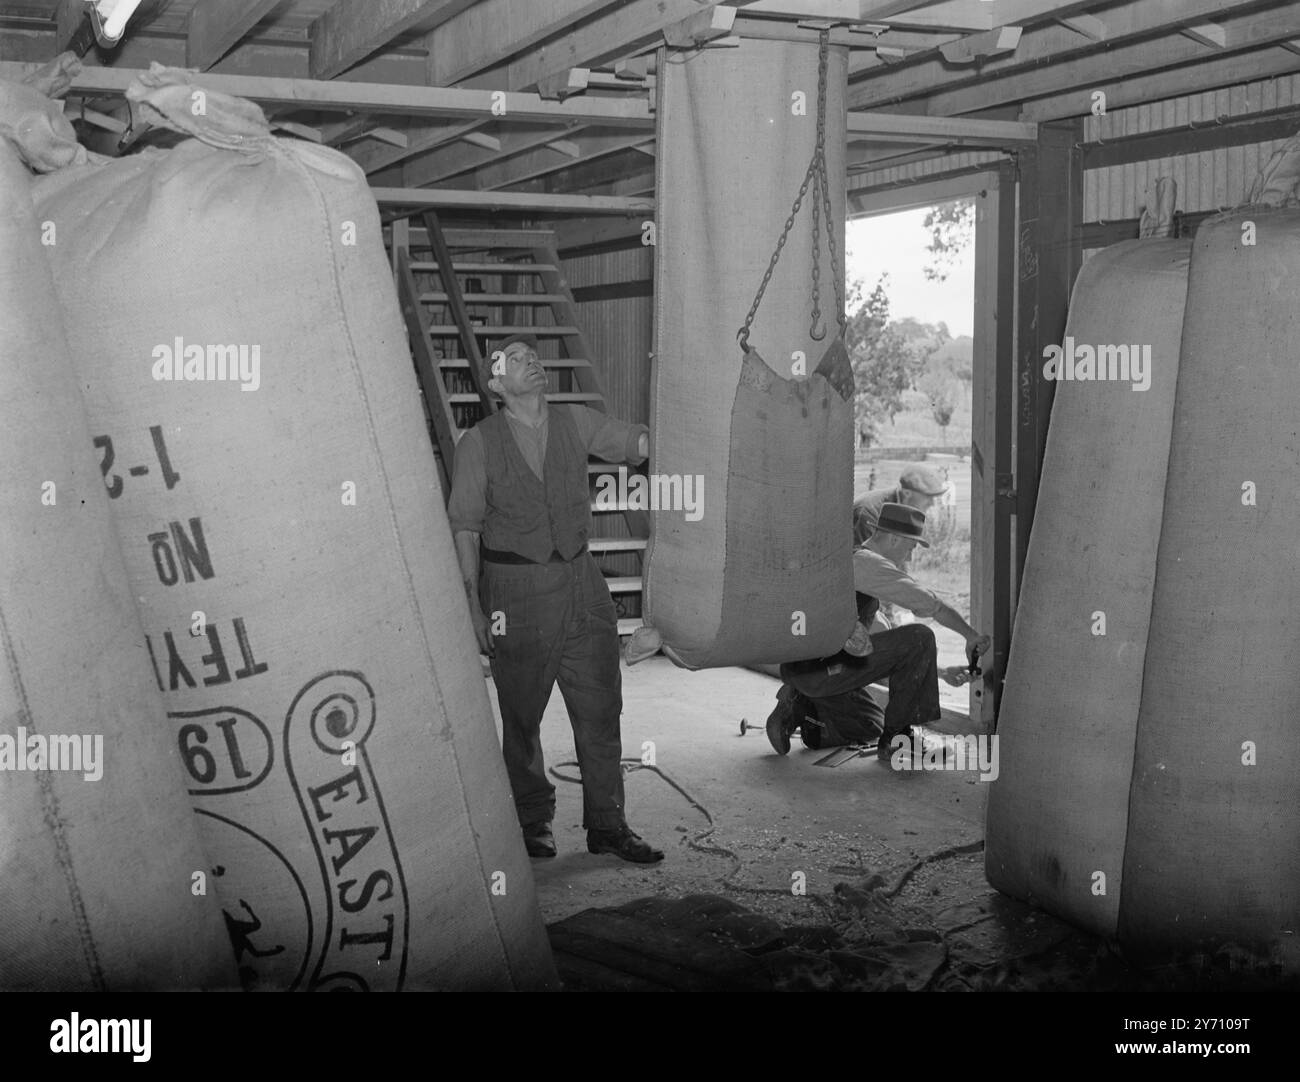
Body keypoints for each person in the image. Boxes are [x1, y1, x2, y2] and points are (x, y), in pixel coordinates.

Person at [448, 332, 663, 864]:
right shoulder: (478, 443)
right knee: (522, 715)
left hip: (581, 581)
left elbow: (632, 443)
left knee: (600, 706)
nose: (532, 362)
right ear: (496, 383)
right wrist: (472, 607)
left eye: (533, 355)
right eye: (516, 359)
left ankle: (608, 825)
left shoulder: (575, 421)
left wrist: (670, 430)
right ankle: (531, 820)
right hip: (513, 592)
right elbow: (465, 530)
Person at [765, 503, 990, 768]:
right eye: (912, 545)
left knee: (870, 726)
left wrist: (940, 673)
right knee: (920, 636)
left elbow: (887, 650)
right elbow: (929, 604)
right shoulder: (867, 564)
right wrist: (970, 635)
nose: (910, 555)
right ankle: (899, 739)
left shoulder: (854, 567)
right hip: (820, 670)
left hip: (807, 669)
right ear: (895, 538)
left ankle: (797, 704)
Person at [852, 464, 949, 547]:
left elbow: (902, 556)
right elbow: (863, 562)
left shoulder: (908, 511)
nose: (932, 503)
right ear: (907, 493)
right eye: (928, 497)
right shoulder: (869, 510)